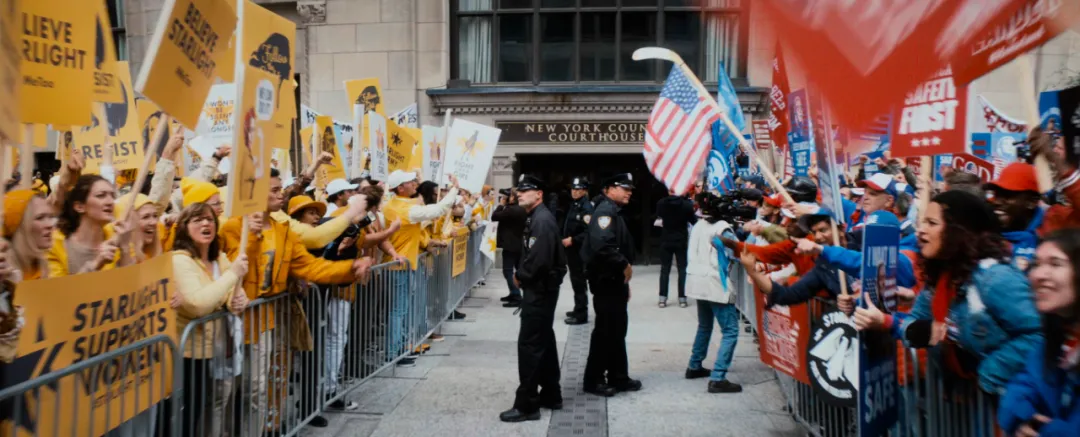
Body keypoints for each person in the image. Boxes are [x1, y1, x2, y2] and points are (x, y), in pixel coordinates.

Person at [218, 168, 373, 437]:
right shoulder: (233, 227)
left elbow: (310, 267)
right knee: (241, 390)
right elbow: (232, 269)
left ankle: (267, 429)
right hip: (241, 320)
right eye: (275, 190)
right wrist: (251, 236)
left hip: (275, 318)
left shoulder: (283, 229)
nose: (282, 195)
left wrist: (350, 268)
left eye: (280, 189)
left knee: (266, 384)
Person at [851, 191, 1042, 394]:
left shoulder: (995, 278)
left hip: (1007, 403)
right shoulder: (941, 279)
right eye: (922, 222)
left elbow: (1038, 335)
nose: (920, 231)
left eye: (932, 223)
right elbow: (919, 324)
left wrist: (989, 375)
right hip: (960, 400)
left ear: (959, 231)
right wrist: (885, 321)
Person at [170, 202, 250, 437]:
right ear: (184, 227)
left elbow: (232, 294)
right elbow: (198, 304)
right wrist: (232, 275)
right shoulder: (179, 260)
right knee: (188, 414)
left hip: (217, 348)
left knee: (208, 407)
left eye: (210, 219)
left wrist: (238, 300)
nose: (206, 223)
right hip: (190, 353)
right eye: (197, 220)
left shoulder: (220, 258)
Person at [499, 175, 567, 423]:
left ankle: (527, 405)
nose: (519, 193)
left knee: (529, 345)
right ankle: (551, 393)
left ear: (539, 194)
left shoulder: (542, 220)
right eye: (519, 190)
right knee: (543, 340)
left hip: (539, 289)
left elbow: (539, 259)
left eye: (525, 190)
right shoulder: (536, 217)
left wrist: (521, 276)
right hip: (541, 289)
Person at [999, 230, 1080, 436]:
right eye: (1036, 264)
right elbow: (1024, 384)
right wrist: (1021, 416)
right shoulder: (1057, 338)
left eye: (1055, 264)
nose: (1038, 275)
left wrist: (1043, 430)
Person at [381, 170, 459, 367]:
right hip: (400, 265)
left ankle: (398, 349)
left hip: (401, 263)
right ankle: (394, 353)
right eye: (410, 181)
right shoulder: (404, 209)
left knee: (400, 310)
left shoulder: (395, 205)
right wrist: (454, 189)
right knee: (398, 311)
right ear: (400, 188)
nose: (415, 183)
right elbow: (438, 210)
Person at [581, 173, 640, 397]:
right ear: (609, 189)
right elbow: (602, 245)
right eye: (624, 188)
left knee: (617, 329)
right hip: (606, 280)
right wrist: (623, 264)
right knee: (606, 330)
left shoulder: (613, 209)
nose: (629, 192)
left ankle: (618, 376)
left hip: (614, 280)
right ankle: (594, 379)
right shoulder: (605, 211)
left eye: (630, 189)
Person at [684, 192, 742, 394]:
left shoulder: (698, 225)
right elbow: (737, 253)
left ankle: (694, 365)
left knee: (704, 325)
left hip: (697, 279)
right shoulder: (723, 229)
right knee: (730, 330)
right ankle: (718, 377)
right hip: (716, 282)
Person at [47, 175, 133, 276]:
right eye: (101, 195)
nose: (110, 202)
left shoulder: (119, 236)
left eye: (112, 196)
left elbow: (132, 282)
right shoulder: (54, 245)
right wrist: (96, 264)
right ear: (79, 207)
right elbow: (58, 286)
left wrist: (125, 249)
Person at [655, 189, 696, 308]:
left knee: (664, 269)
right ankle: (682, 298)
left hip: (666, 239)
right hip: (681, 240)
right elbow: (693, 221)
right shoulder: (687, 205)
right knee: (682, 269)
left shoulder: (661, 203)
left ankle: (662, 298)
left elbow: (659, 216)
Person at [563, 177, 593, 325]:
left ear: (584, 191)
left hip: (579, 250)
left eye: (578, 189)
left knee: (579, 282)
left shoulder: (586, 207)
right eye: (573, 189)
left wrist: (573, 239)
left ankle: (581, 314)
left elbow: (588, 231)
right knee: (575, 281)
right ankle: (578, 308)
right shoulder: (575, 204)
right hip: (572, 251)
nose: (574, 192)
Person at [492, 188, 528, 308]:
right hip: (518, 244)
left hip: (510, 245)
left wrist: (501, 205)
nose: (505, 198)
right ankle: (514, 293)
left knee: (507, 271)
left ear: (513, 197)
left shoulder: (511, 210)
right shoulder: (522, 208)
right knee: (518, 269)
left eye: (508, 196)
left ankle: (516, 295)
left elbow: (494, 216)